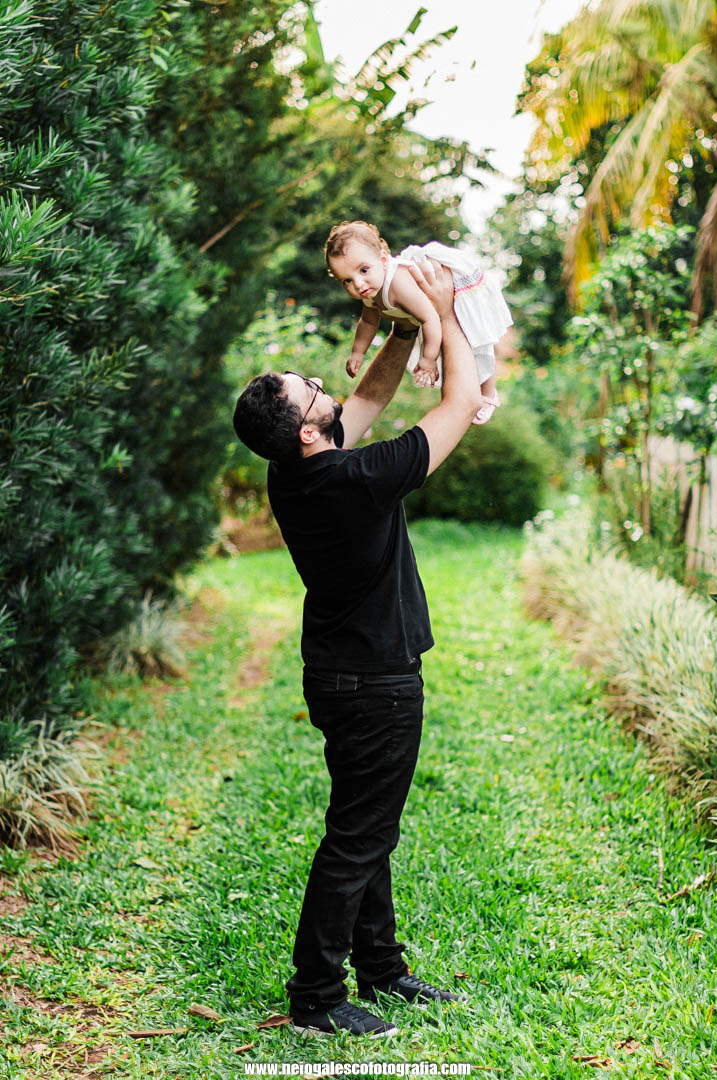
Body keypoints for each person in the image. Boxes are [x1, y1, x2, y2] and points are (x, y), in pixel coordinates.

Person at [232, 261, 485, 1039]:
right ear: (310, 431)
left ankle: (380, 966)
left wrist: (404, 332)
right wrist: (445, 311)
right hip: (376, 684)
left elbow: (365, 400)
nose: (321, 383)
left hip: (338, 677)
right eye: (310, 390)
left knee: (363, 822)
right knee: (359, 837)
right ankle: (316, 996)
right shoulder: (360, 479)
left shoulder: (294, 472)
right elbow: (460, 403)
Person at [324, 220, 513, 424]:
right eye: (347, 280)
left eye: (363, 270)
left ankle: (488, 392)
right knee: (453, 353)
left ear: (383, 259)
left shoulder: (398, 284)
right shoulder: (370, 291)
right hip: (429, 311)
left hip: (451, 291)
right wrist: (358, 352)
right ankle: (472, 389)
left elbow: (430, 318)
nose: (358, 284)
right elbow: (368, 322)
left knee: (476, 340)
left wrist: (429, 359)